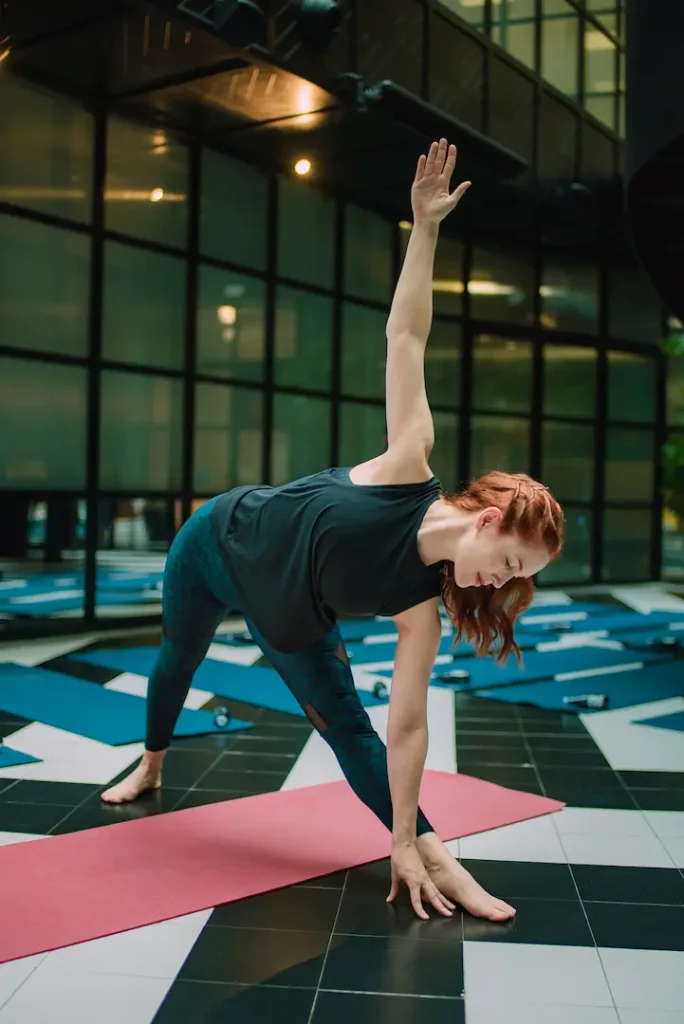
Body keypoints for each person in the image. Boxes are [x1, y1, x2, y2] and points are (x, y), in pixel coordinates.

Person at [102, 139, 564, 924]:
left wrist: (402, 841)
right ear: (489, 520)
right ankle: (149, 765)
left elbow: (408, 727)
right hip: (216, 542)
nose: (503, 581)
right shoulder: (409, 461)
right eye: (511, 561)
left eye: (520, 578)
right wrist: (424, 228)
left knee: (351, 728)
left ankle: (437, 857)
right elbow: (406, 338)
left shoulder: (423, 601)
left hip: (292, 622)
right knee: (178, 656)